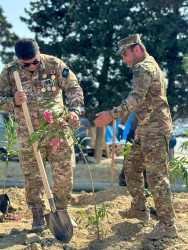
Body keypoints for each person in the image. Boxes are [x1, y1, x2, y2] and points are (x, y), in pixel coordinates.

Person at [94, 34, 177, 240]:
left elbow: (135, 98)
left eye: (125, 54)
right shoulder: (150, 64)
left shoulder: (143, 68)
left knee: (156, 178)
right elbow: (142, 101)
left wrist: (111, 115)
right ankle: (140, 209)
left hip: (155, 130)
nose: (124, 59)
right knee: (131, 168)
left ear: (137, 49)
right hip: (147, 128)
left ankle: (168, 225)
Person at [0, 38, 83, 232]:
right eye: (25, 64)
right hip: (29, 134)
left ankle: (61, 212)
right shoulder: (9, 72)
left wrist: (75, 111)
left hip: (57, 130)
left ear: (39, 54)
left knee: (64, 173)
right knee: (33, 176)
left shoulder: (54, 64)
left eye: (34, 62)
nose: (30, 66)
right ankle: (37, 216)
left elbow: (73, 88)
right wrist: (13, 101)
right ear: (18, 60)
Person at [117, 114, 177, 186]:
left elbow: (167, 115)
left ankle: (146, 185)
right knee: (129, 159)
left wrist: (170, 132)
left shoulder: (158, 103)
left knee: (147, 160)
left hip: (151, 134)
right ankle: (125, 181)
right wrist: (121, 126)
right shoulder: (133, 103)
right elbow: (126, 111)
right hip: (133, 133)